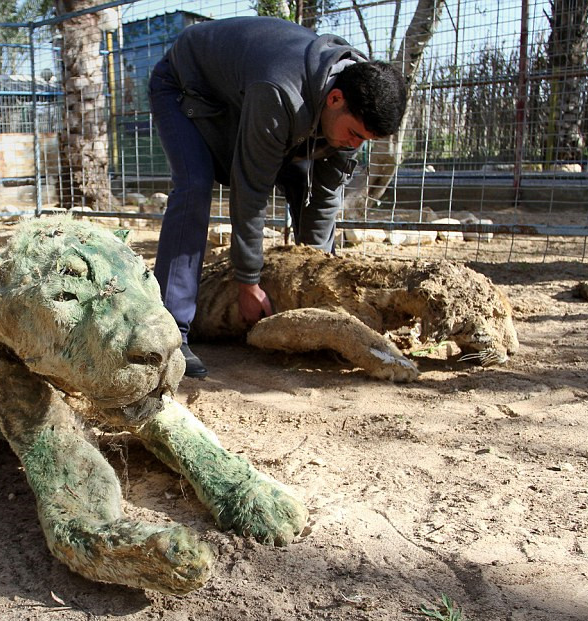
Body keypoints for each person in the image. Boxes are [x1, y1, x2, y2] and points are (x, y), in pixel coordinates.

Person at [148, 16, 408, 378]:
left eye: (364, 140)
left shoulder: (357, 96)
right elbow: (250, 189)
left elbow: (324, 198)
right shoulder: (281, 92)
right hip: (187, 88)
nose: (355, 145)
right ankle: (171, 332)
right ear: (335, 99)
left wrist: (319, 279)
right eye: (354, 134)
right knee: (195, 184)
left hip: (244, 94)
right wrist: (247, 281)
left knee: (302, 176)